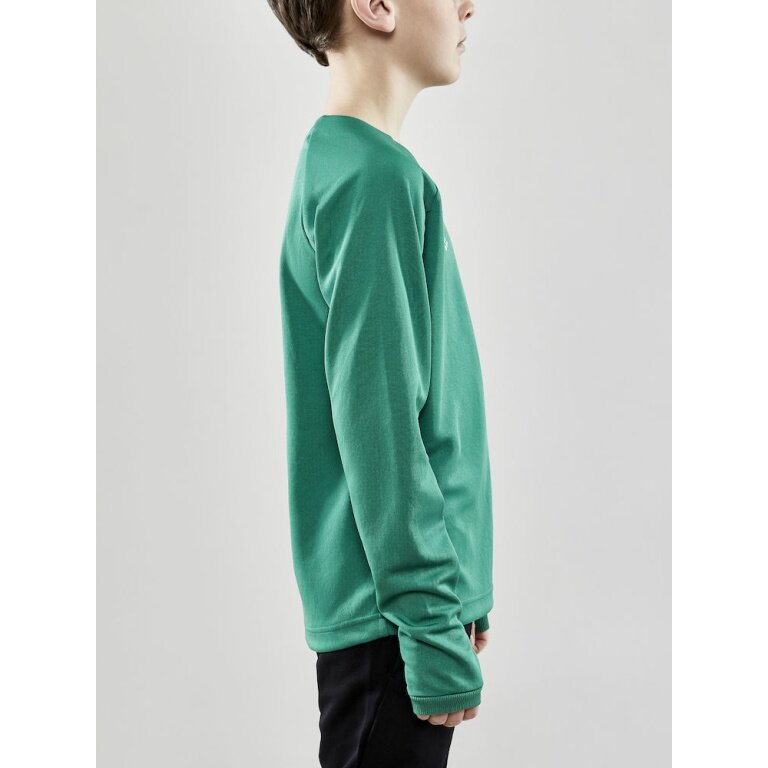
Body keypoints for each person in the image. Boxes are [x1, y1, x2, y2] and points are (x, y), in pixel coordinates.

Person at [271, 1, 493, 765]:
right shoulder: (372, 180)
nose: (468, 4)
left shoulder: (351, 164)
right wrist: (428, 619)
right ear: (375, 5)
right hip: (390, 630)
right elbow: (383, 435)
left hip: (391, 618)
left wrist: (456, 589)